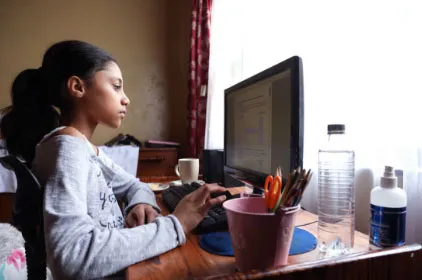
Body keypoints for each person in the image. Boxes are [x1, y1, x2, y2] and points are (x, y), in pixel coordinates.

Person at [0, 40, 227, 279]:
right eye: (116, 86)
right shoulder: (67, 149)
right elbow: (71, 255)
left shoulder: (84, 148)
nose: (126, 98)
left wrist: (140, 204)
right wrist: (176, 225)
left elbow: (134, 184)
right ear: (78, 87)